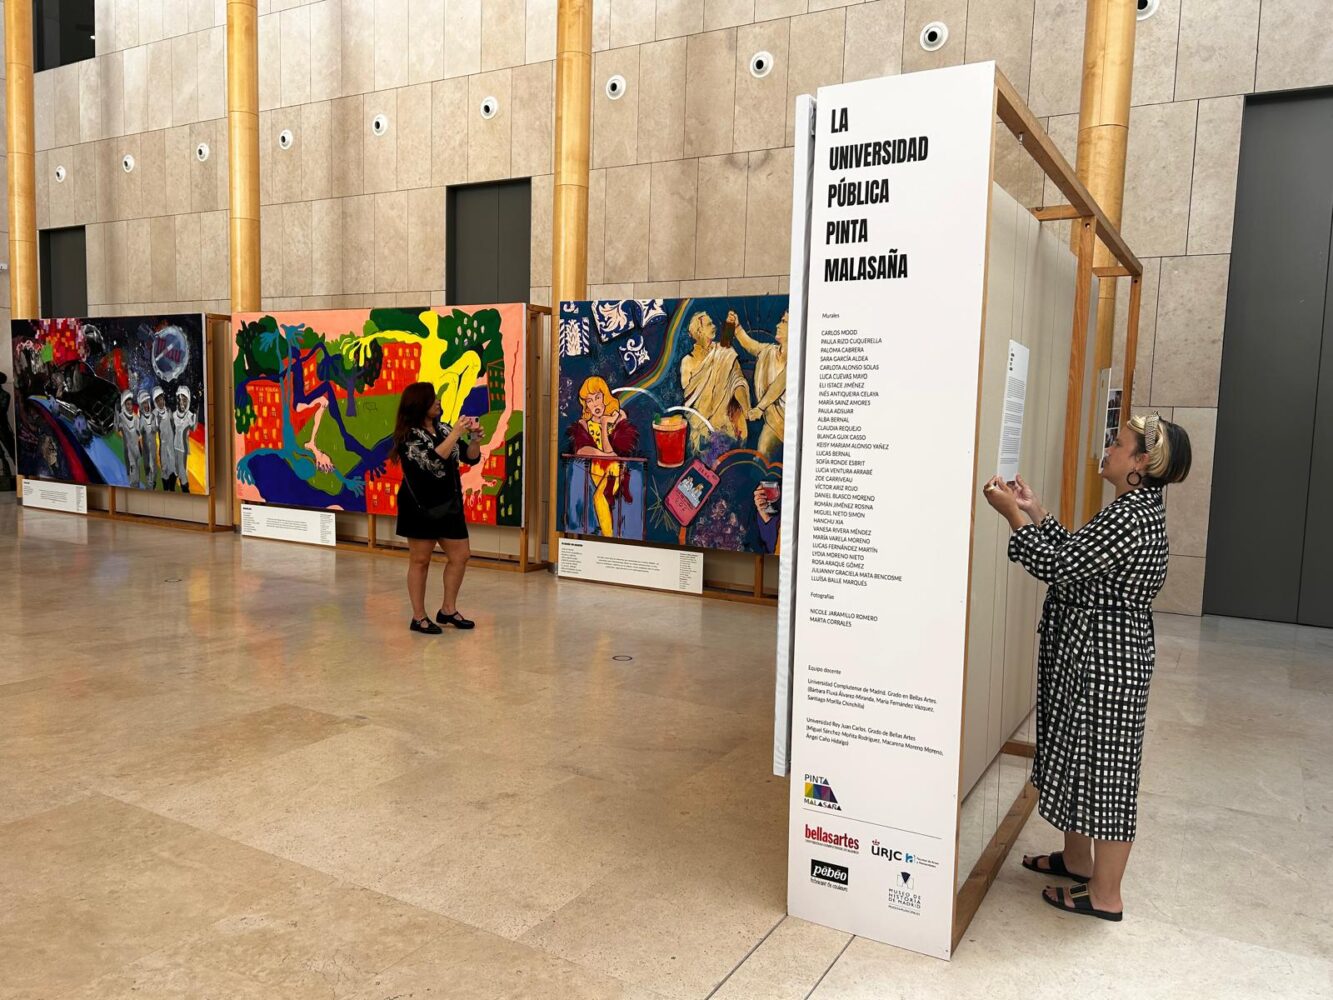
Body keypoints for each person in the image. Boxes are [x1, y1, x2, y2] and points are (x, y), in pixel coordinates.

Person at [982, 413, 1192, 922]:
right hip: (1097, 656)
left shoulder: (1130, 516)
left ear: (1141, 462)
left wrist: (1012, 517)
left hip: (1107, 661)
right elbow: (1080, 555)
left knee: (1108, 774)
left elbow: (1059, 566)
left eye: (1119, 443)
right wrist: (1036, 511)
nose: (1109, 449)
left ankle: (1104, 895)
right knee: (1082, 759)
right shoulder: (1133, 509)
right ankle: (1077, 861)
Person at [393, 381, 481, 634]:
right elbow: (431, 462)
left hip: (449, 505)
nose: (438, 402)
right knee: (420, 560)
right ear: (420, 404)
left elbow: (470, 458)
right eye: (433, 399)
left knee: (461, 555)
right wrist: (455, 434)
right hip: (420, 507)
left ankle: (448, 610)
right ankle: (418, 617)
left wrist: (474, 439)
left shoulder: (444, 429)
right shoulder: (408, 436)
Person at [569, 376, 637, 537]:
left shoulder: (618, 416)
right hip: (597, 470)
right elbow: (583, 451)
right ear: (585, 404)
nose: (595, 404)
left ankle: (608, 537)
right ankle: (609, 535)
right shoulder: (584, 424)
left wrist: (605, 424)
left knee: (599, 497)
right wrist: (603, 454)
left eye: (598, 397)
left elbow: (614, 455)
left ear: (605, 396)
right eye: (589, 400)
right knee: (600, 497)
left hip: (615, 469)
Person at [680, 311, 752, 450]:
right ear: (699, 331)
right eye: (709, 324)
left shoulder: (722, 352)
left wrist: (747, 409)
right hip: (703, 425)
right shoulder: (687, 361)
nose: (714, 326)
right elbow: (690, 398)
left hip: (728, 422)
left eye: (713, 323)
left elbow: (737, 380)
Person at [734, 309, 788, 461]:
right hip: (773, 422)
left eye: (784, 322)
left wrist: (760, 408)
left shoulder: (799, 358)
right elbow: (750, 344)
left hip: (792, 422)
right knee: (762, 457)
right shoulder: (769, 351)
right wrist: (736, 327)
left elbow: (780, 383)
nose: (778, 325)